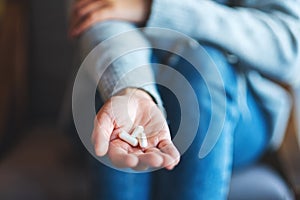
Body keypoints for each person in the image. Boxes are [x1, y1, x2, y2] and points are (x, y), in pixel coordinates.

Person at [68, 0, 300, 199]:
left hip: (237, 112)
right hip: (127, 90)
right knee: (117, 104)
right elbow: (97, 14)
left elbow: (290, 46)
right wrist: (133, 88)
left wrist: (155, 8)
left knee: (204, 65)